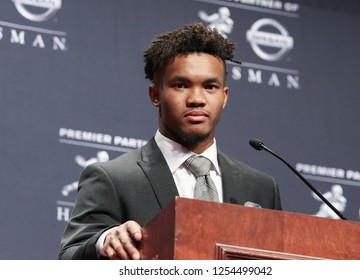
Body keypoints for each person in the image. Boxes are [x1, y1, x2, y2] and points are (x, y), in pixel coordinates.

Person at [58, 22, 282, 260]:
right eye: (181, 85)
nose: (197, 99)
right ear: (155, 95)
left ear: (224, 97)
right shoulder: (113, 179)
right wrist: (104, 241)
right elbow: (68, 259)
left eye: (210, 86)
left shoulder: (261, 188)